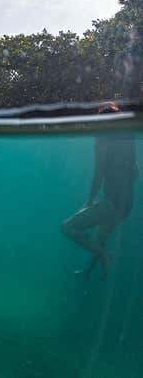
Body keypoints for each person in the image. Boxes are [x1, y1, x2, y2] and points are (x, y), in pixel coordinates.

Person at [61, 103, 138, 280]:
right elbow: (135, 173)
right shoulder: (129, 137)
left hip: (112, 202)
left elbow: (99, 173)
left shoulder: (103, 138)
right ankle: (88, 272)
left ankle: (105, 256)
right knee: (99, 239)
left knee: (67, 227)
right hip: (127, 205)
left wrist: (90, 201)